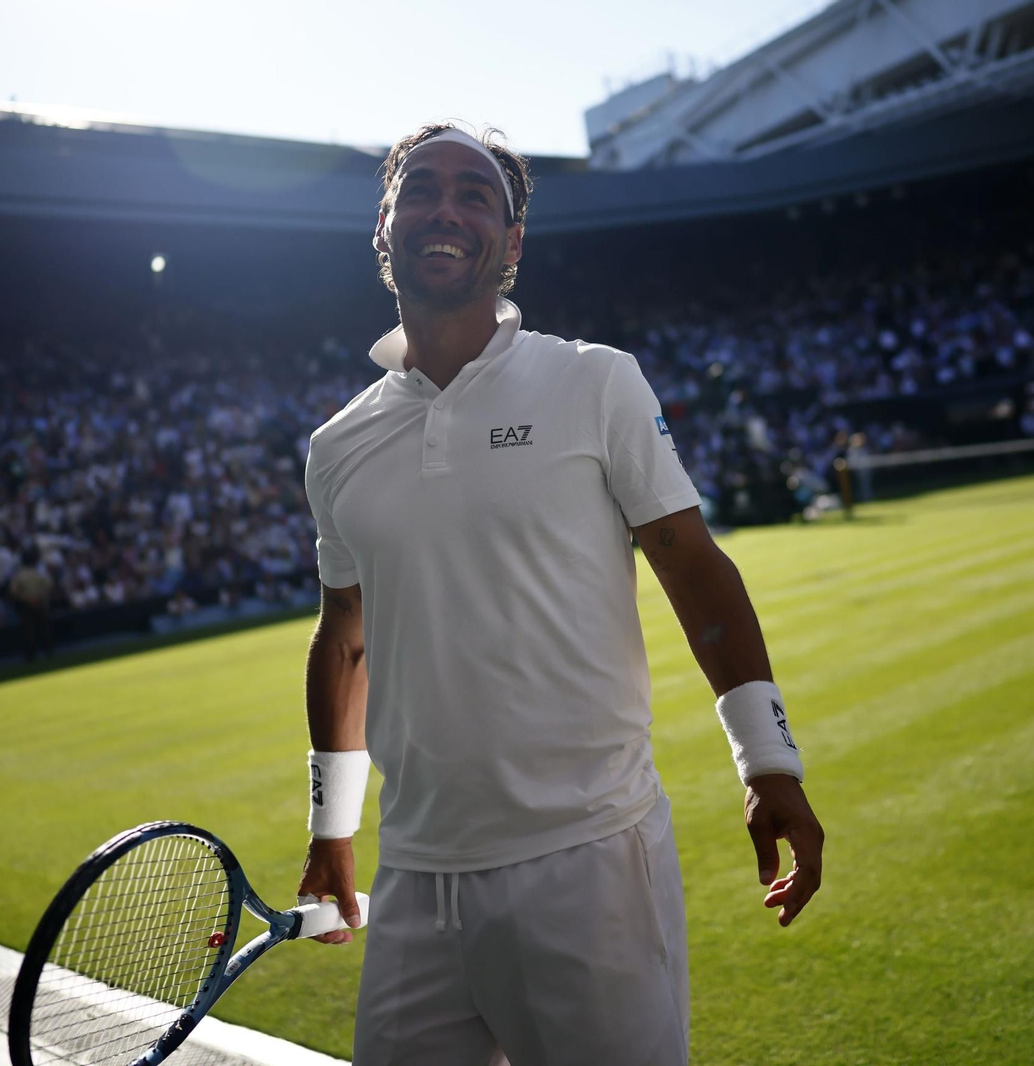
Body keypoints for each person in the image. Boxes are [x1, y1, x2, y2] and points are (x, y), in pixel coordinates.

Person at [297, 123, 824, 1066]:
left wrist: (767, 760)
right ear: (385, 223)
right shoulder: (338, 445)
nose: (446, 209)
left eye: (476, 194)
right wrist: (331, 828)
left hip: (588, 860)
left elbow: (694, 566)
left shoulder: (593, 379)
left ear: (512, 242)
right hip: (414, 872)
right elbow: (346, 637)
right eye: (421, 188)